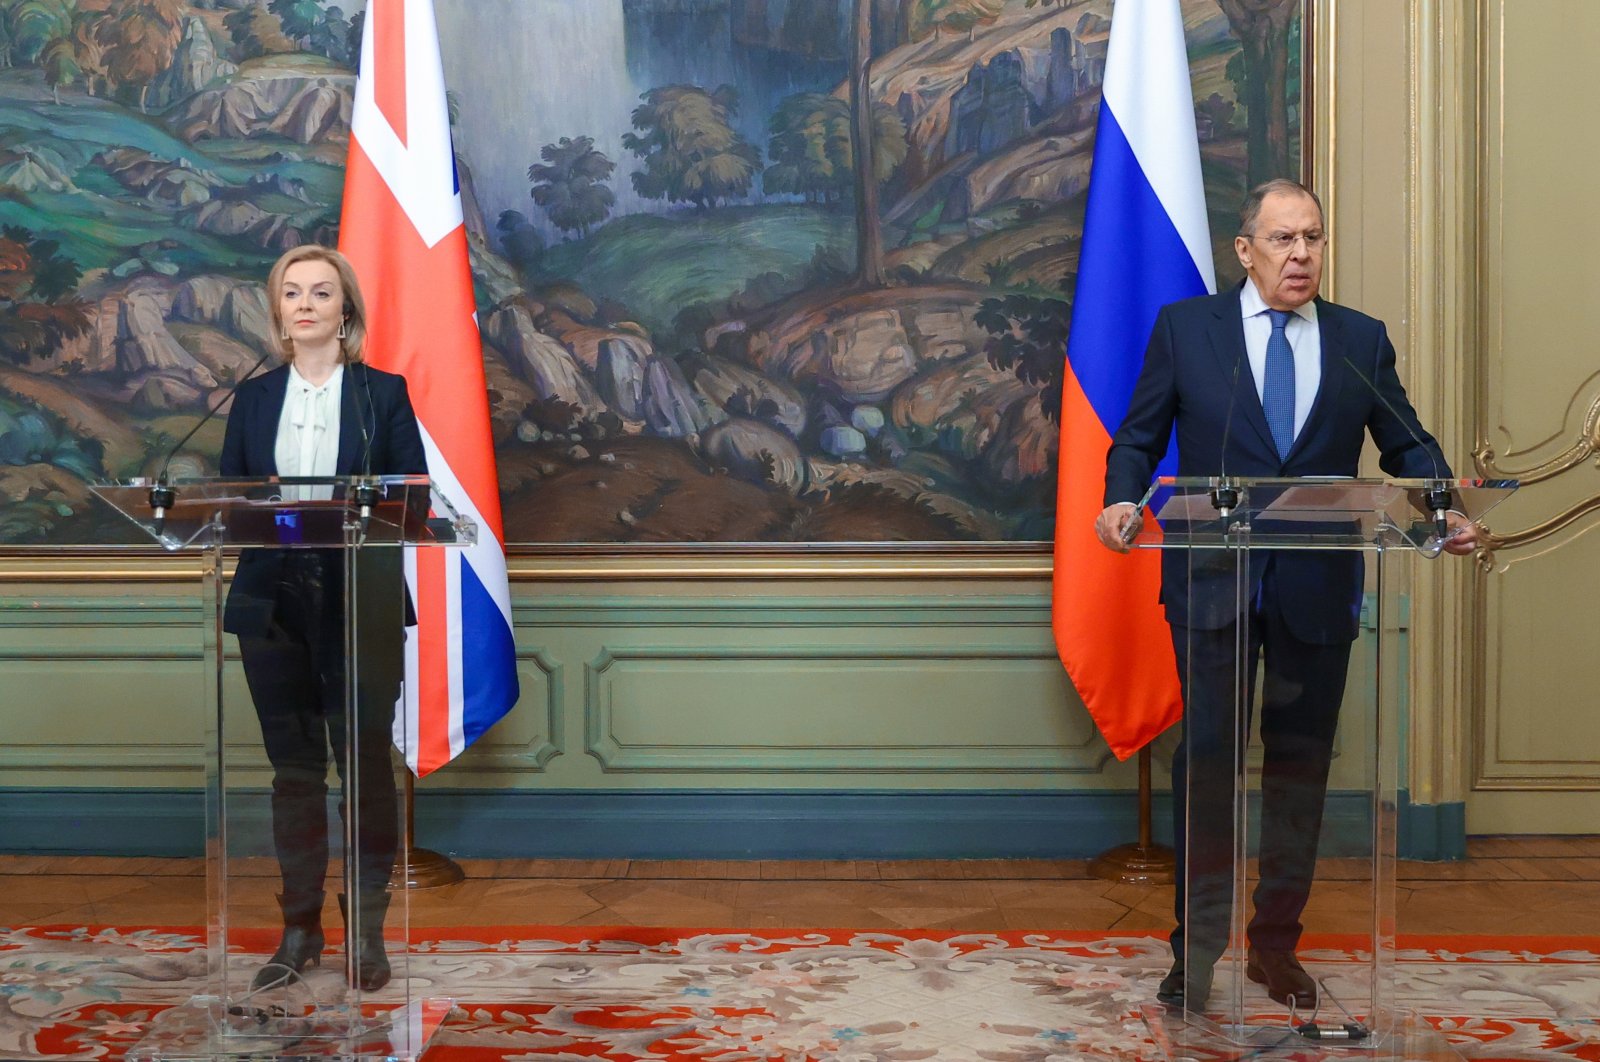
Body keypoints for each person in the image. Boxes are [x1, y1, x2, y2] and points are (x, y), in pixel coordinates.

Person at [1093, 179, 1479, 1011]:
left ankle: (1275, 948)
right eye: (1282, 240)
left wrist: (1444, 508)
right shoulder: (1185, 330)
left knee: (1300, 771)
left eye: (1312, 238)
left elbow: (1408, 442)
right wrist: (1122, 500)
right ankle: (1193, 955)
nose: (1300, 255)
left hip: (1317, 586)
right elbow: (1138, 435)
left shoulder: (1357, 339)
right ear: (1245, 251)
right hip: (1212, 587)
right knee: (1208, 770)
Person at [220, 244, 427, 992]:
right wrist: (272, 516)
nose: (305, 303)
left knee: (366, 770)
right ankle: (299, 930)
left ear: (346, 311)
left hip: (358, 599)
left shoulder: (383, 395)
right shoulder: (249, 400)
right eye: (291, 292)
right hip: (272, 603)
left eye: (321, 292)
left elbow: (415, 505)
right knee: (296, 773)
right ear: (277, 310)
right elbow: (231, 505)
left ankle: (366, 937)